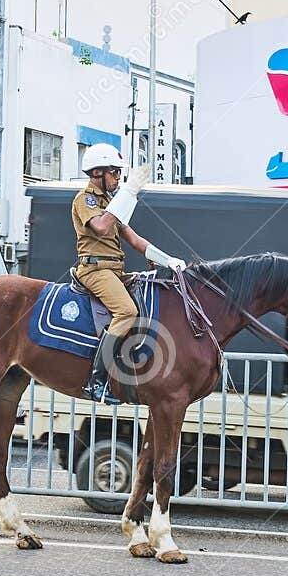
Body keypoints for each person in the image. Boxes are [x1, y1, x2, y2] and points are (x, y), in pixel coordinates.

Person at [72, 143, 187, 402]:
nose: (118, 178)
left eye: (119, 173)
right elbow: (101, 227)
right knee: (127, 311)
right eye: (114, 172)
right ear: (97, 173)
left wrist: (168, 260)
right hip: (95, 270)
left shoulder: (110, 203)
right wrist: (128, 193)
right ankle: (96, 381)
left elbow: (135, 240)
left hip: (115, 271)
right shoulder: (86, 199)